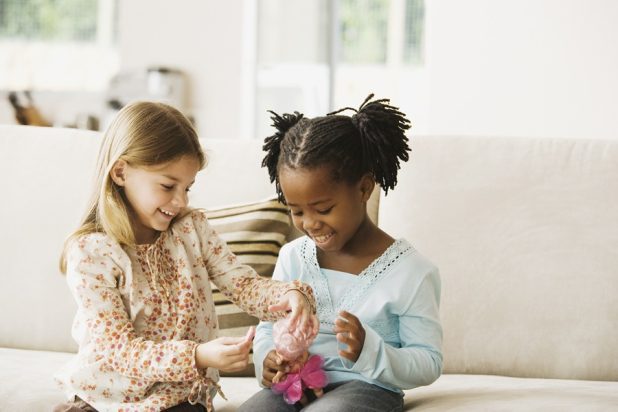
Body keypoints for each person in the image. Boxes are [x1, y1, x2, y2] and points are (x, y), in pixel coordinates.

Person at [53, 101, 317, 412]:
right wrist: (197, 356)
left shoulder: (192, 230)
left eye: (188, 187)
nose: (180, 201)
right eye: (168, 186)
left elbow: (244, 285)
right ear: (121, 172)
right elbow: (119, 351)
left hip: (178, 398)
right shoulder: (91, 254)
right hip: (102, 400)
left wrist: (290, 295)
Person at [239, 94, 443, 412]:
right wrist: (267, 358)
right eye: (296, 211)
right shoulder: (293, 258)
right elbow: (269, 326)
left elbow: (428, 361)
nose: (309, 223)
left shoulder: (413, 272)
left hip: (366, 387)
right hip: (295, 382)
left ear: (364, 189)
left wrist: (370, 349)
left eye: (323, 209)